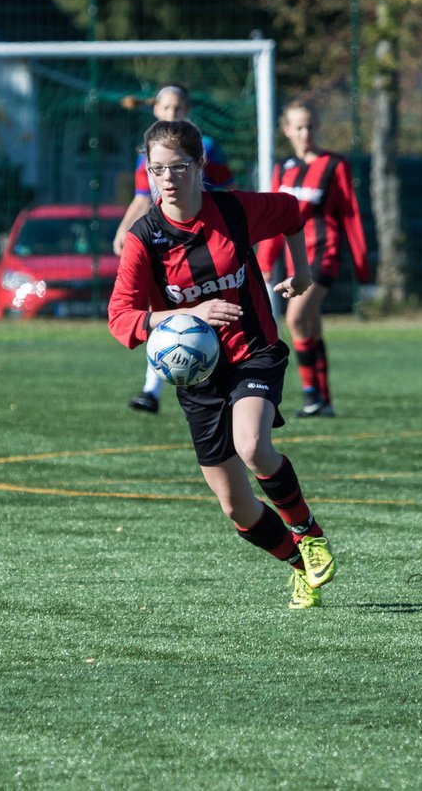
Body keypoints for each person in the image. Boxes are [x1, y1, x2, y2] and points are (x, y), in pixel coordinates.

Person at [109, 119, 338, 609]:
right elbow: (120, 318)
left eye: (177, 167)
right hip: (197, 377)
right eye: (156, 169)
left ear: (199, 167)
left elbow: (293, 212)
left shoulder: (233, 209)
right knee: (236, 507)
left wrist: (300, 274)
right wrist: (189, 313)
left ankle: (308, 531)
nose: (167, 179)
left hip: (253, 350)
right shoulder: (143, 239)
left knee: (252, 445)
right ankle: (301, 565)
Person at [112, 84, 235, 414]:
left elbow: (228, 191)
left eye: (178, 109)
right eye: (166, 109)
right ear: (155, 111)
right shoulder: (146, 154)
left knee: (204, 309)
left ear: (188, 111)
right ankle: (151, 390)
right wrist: (124, 230)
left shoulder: (207, 147)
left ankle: (224, 376)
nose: (172, 114)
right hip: (161, 239)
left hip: (202, 239)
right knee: (164, 312)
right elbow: (142, 199)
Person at [256, 99, 370, 418]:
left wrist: (361, 263)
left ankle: (310, 395)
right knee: (310, 325)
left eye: (311, 126)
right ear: (287, 130)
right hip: (296, 260)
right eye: (299, 127)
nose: (306, 133)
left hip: (325, 253)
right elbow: (274, 218)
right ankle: (324, 399)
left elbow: (350, 213)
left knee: (294, 318)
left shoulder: (335, 165)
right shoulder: (284, 169)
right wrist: (266, 259)